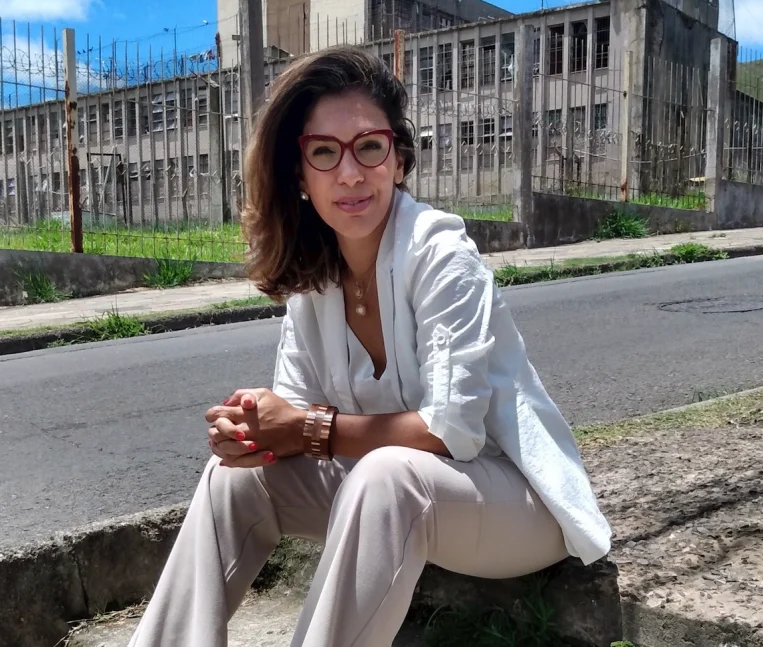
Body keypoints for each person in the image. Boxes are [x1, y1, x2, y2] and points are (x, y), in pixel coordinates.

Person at [128, 46, 612, 647]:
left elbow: (453, 433)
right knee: (233, 478)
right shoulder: (314, 279)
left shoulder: (441, 255)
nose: (350, 174)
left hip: (512, 503)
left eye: (369, 147)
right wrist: (254, 431)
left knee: (388, 475)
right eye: (324, 153)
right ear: (300, 175)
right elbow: (295, 425)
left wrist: (306, 427)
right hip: (393, 502)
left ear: (399, 160)